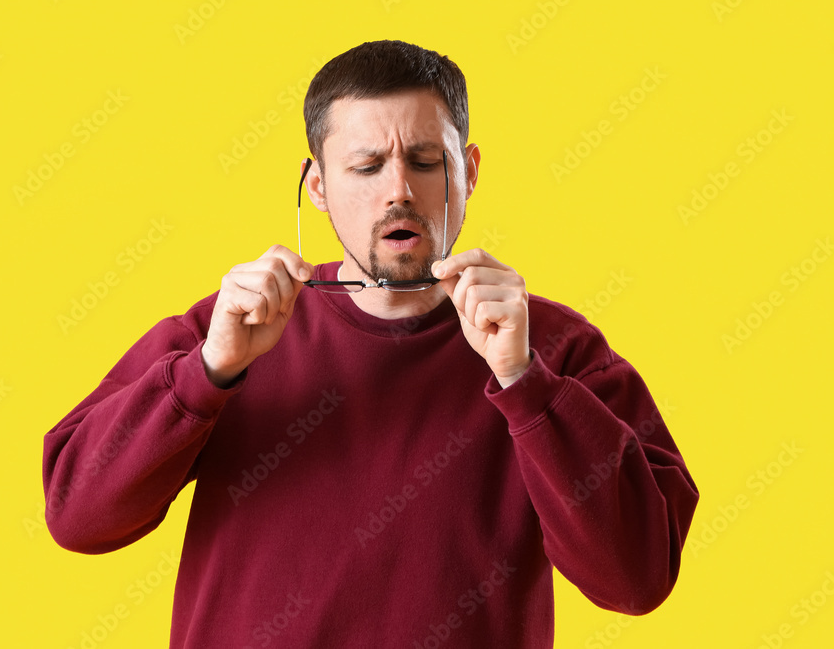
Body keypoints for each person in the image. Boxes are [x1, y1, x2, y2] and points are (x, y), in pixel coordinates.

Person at [42, 40, 699, 648]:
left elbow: (637, 579)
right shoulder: (230, 330)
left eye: (424, 161)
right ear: (319, 187)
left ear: (468, 172)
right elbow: (77, 516)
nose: (399, 191)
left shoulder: (555, 350)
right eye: (366, 165)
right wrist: (207, 374)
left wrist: (526, 384)